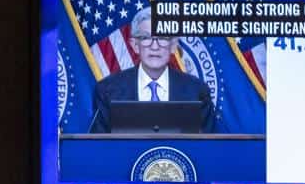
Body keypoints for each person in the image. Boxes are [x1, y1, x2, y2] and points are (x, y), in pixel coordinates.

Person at [87, 7, 216, 133]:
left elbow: (209, 149)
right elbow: (98, 148)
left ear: (173, 45)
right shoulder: (107, 91)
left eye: (162, 38)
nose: (155, 46)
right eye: (146, 38)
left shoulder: (197, 92)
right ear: (135, 45)